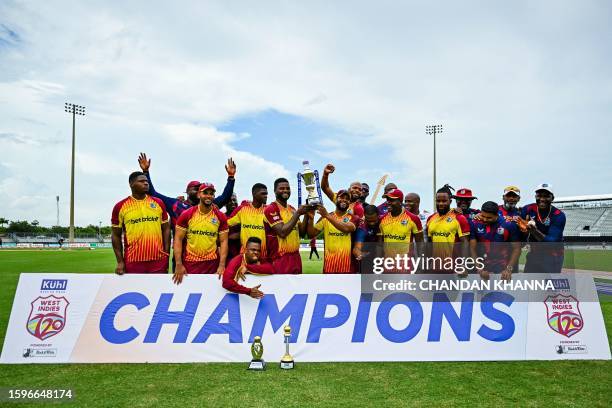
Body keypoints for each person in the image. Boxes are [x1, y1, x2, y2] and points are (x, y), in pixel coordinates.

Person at [137, 153, 236, 228]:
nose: (199, 191)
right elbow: (153, 194)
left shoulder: (210, 204)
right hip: (180, 252)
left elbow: (226, 196)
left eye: (201, 190)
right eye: (195, 188)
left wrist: (231, 177)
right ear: (187, 191)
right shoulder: (176, 204)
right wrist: (146, 172)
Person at [111, 171, 171, 274]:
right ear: (131, 184)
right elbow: (115, 235)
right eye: (141, 181)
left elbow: (166, 229)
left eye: (146, 181)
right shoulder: (120, 206)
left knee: (158, 289)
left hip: (158, 260)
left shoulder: (158, 203)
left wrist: (166, 254)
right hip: (133, 260)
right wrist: (120, 262)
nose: (146, 183)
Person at [172, 183, 228, 284]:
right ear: (198, 195)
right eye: (205, 193)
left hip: (212, 263)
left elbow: (224, 241)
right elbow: (178, 239)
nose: (208, 196)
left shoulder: (220, 216)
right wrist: (178, 264)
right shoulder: (187, 214)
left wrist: (222, 265)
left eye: (211, 194)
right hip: (191, 262)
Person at [264, 178, 309, 274]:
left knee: (297, 289)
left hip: (296, 257)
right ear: (275, 191)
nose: (285, 190)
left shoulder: (292, 209)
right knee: (281, 288)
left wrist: (306, 215)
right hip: (280, 258)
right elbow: (282, 232)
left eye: (288, 188)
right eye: (282, 188)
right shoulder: (271, 209)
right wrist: (298, 213)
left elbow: (302, 233)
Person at [306, 190, 358, 273]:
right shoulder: (325, 217)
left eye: (347, 199)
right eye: (341, 197)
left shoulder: (354, 218)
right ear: (336, 199)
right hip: (329, 266)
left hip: (347, 267)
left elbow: (346, 229)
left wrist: (327, 216)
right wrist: (311, 219)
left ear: (350, 202)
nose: (344, 200)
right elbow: (311, 234)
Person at [520, 183, 566, 274]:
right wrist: (523, 228)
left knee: (550, 286)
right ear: (535, 196)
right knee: (529, 284)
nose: (542, 199)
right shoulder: (528, 209)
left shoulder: (558, 215)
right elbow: (520, 229)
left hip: (553, 255)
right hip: (534, 253)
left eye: (546, 196)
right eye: (539, 196)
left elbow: (551, 242)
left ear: (552, 198)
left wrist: (534, 231)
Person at [470, 201, 521, 281]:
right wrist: (479, 268)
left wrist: (509, 269)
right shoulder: (474, 223)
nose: (485, 219)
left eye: (489, 218)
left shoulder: (509, 225)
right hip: (482, 267)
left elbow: (517, 248)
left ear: (497, 215)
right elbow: (472, 248)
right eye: (483, 216)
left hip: (502, 269)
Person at [426, 185, 470, 273]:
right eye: (438, 201)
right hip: (435, 267)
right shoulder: (430, 218)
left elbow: (465, 243)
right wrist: (428, 262)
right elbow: (429, 243)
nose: (441, 204)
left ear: (450, 201)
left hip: (453, 268)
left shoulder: (459, 218)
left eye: (444, 201)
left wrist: (463, 264)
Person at [379, 188, 423, 272]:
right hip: (387, 266)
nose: (388, 202)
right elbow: (380, 245)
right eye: (387, 199)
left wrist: (421, 264)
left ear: (400, 201)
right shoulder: (382, 219)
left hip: (406, 267)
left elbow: (420, 244)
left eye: (392, 200)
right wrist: (378, 264)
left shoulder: (413, 219)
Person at [228, 184, 268, 258]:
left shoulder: (268, 210)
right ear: (254, 194)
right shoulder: (243, 209)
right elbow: (226, 223)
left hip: (263, 255)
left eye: (266, 194)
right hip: (245, 255)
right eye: (263, 193)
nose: (266, 196)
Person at [225, 193, 241, 259]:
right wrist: (228, 237)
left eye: (234, 200)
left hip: (241, 252)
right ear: (224, 204)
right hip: (227, 253)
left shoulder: (244, 215)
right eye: (230, 201)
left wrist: (240, 234)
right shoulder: (222, 217)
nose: (233, 202)